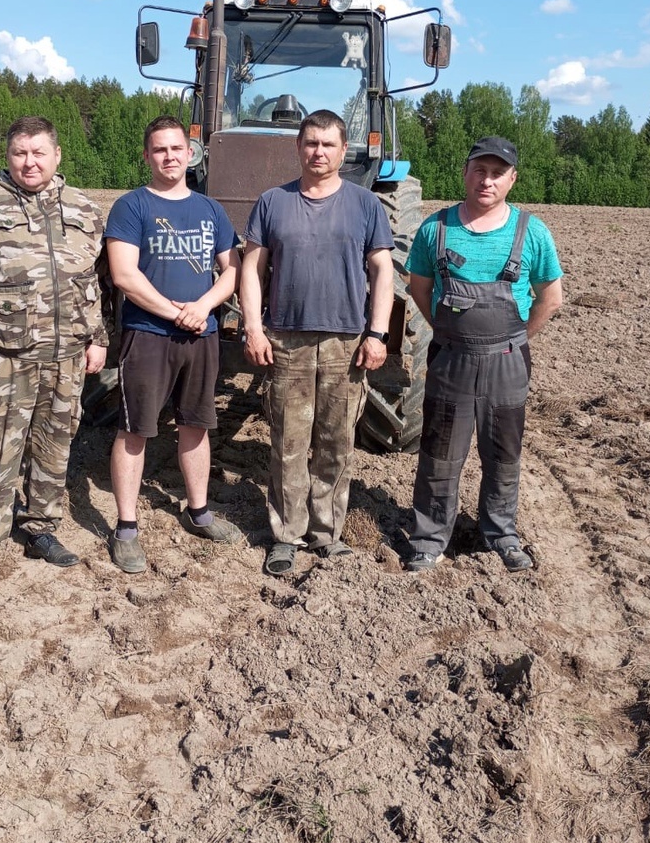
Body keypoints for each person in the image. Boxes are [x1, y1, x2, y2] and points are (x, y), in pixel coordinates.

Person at [0, 115, 109, 604]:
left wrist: (97, 338)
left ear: (57, 156)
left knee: (54, 448)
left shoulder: (83, 208)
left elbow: (91, 286)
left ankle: (39, 529)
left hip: (68, 356)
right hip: (5, 356)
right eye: (20, 153)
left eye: (38, 152)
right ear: (8, 157)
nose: (29, 162)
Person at [240, 109, 394, 576]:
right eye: (311, 143)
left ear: (343, 151)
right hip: (287, 339)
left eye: (328, 145)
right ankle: (287, 535)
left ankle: (327, 534)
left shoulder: (366, 205)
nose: (319, 152)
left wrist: (378, 332)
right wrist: (252, 326)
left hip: (346, 341)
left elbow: (382, 270)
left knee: (335, 442)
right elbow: (252, 269)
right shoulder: (272, 202)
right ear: (298, 147)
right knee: (288, 441)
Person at [404, 136, 564, 573]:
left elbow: (551, 297)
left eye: (497, 173)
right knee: (439, 454)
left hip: (507, 361)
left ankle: (502, 534)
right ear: (465, 172)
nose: (486, 180)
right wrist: (447, 330)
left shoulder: (532, 232)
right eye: (479, 170)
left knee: (504, 452)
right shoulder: (434, 230)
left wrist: (516, 337)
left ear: (512, 179)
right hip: (450, 359)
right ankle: (429, 539)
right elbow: (419, 289)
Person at [105, 115, 243, 574]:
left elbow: (232, 269)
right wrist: (177, 311)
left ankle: (198, 511)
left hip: (200, 336)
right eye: (159, 149)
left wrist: (202, 307)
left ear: (190, 153)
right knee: (135, 429)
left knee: (196, 425)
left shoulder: (211, 210)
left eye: (176, 148)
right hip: (148, 336)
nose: (169, 156)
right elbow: (125, 275)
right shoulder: (131, 207)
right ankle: (126, 527)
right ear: (147, 156)